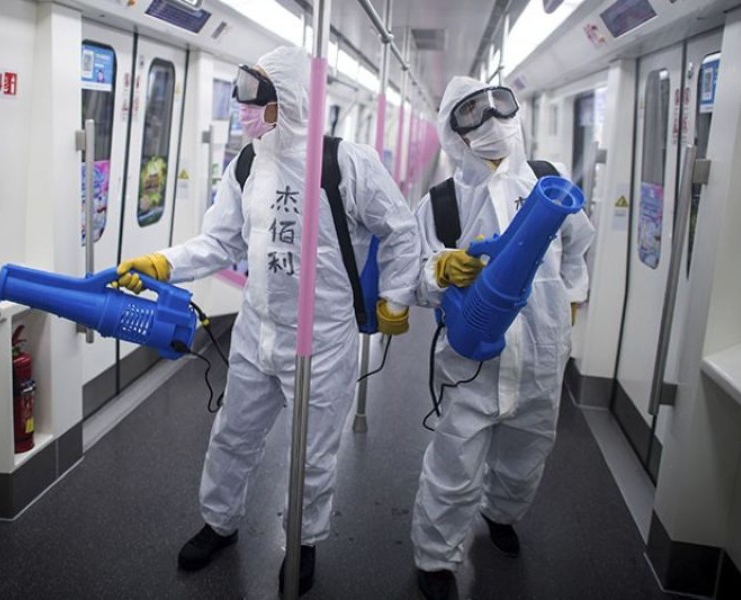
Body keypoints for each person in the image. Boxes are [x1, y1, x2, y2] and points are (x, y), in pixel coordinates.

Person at [115, 46, 420, 596]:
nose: (244, 108)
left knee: (312, 453)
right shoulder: (247, 165)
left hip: (322, 337)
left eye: (255, 97)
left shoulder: (346, 163)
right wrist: (164, 263)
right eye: (241, 94)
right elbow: (220, 241)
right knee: (233, 433)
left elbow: (399, 230)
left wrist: (396, 296)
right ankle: (220, 522)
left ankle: (302, 541)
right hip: (258, 328)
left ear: (291, 99)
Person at [410, 77, 595, 600]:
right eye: (472, 112)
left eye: (499, 104)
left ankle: (501, 514)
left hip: (540, 356)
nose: (492, 119)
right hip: (471, 362)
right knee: (454, 465)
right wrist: (440, 270)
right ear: (455, 132)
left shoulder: (547, 181)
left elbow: (578, 247)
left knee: (527, 455)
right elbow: (414, 277)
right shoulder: (441, 203)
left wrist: (570, 299)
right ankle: (435, 558)